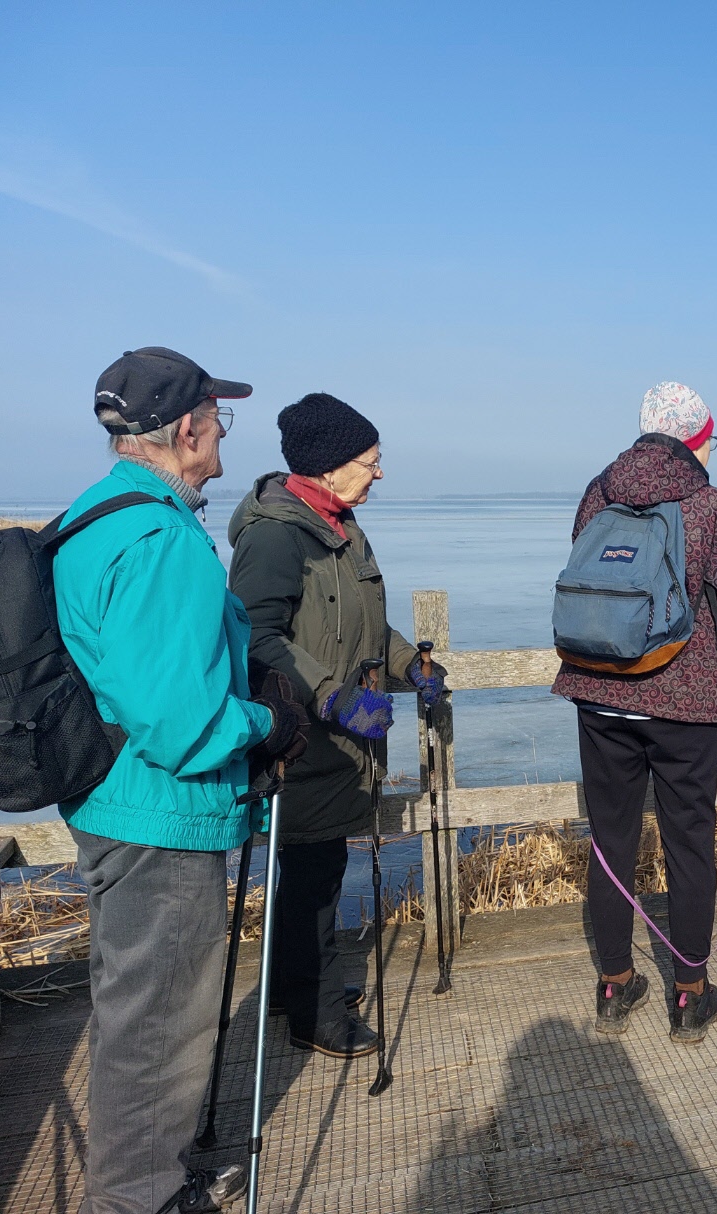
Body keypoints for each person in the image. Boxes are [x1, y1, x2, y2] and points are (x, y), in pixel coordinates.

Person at [54, 347, 308, 1213]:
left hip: (113, 797)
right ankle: (142, 1199)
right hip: (161, 813)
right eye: (218, 418)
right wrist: (267, 722)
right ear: (188, 429)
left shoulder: (98, 515)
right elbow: (181, 724)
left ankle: (151, 1175)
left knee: (137, 1009)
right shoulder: (162, 539)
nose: (223, 434)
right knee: (159, 1023)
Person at [226, 393, 445, 1058]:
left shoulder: (340, 526)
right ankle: (316, 1018)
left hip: (341, 744)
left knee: (311, 871)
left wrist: (411, 667)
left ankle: (292, 988)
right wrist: (333, 698)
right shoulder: (275, 536)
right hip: (301, 741)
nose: (379, 472)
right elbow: (256, 637)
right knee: (314, 878)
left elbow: (368, 626)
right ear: (328, 464)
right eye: (369, 460)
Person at [553, 382, 717, 1043]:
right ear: (695, 438)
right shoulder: (709, 503)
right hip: (683, 702)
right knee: (688, 843)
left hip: (600, 692)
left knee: (610, 838)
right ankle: (689, 994)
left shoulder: (599, 490)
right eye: (710, 438)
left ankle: (615, 984)